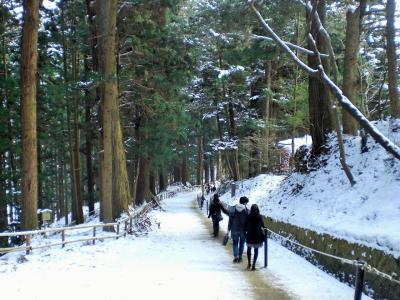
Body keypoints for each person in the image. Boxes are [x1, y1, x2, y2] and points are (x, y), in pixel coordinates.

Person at [228, 196, 249, 263]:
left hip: (234, 229)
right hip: (243, 230)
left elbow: (230, 220)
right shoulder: (247, 210)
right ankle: (240, 257)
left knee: (235, 243)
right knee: (242, 244)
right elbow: (248, 221)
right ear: (245, 202)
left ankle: (236, 256)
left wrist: (228, 229)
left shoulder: (233, 209)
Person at [245, 204, 266, 270]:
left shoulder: (249, 216)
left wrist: (245, 231)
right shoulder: (260, 217)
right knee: (256, 250)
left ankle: (249, 264)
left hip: (250, 236)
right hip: (257, 236)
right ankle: (253, 265)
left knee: (249, 249)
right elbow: (263, 225)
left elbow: (245, 225)